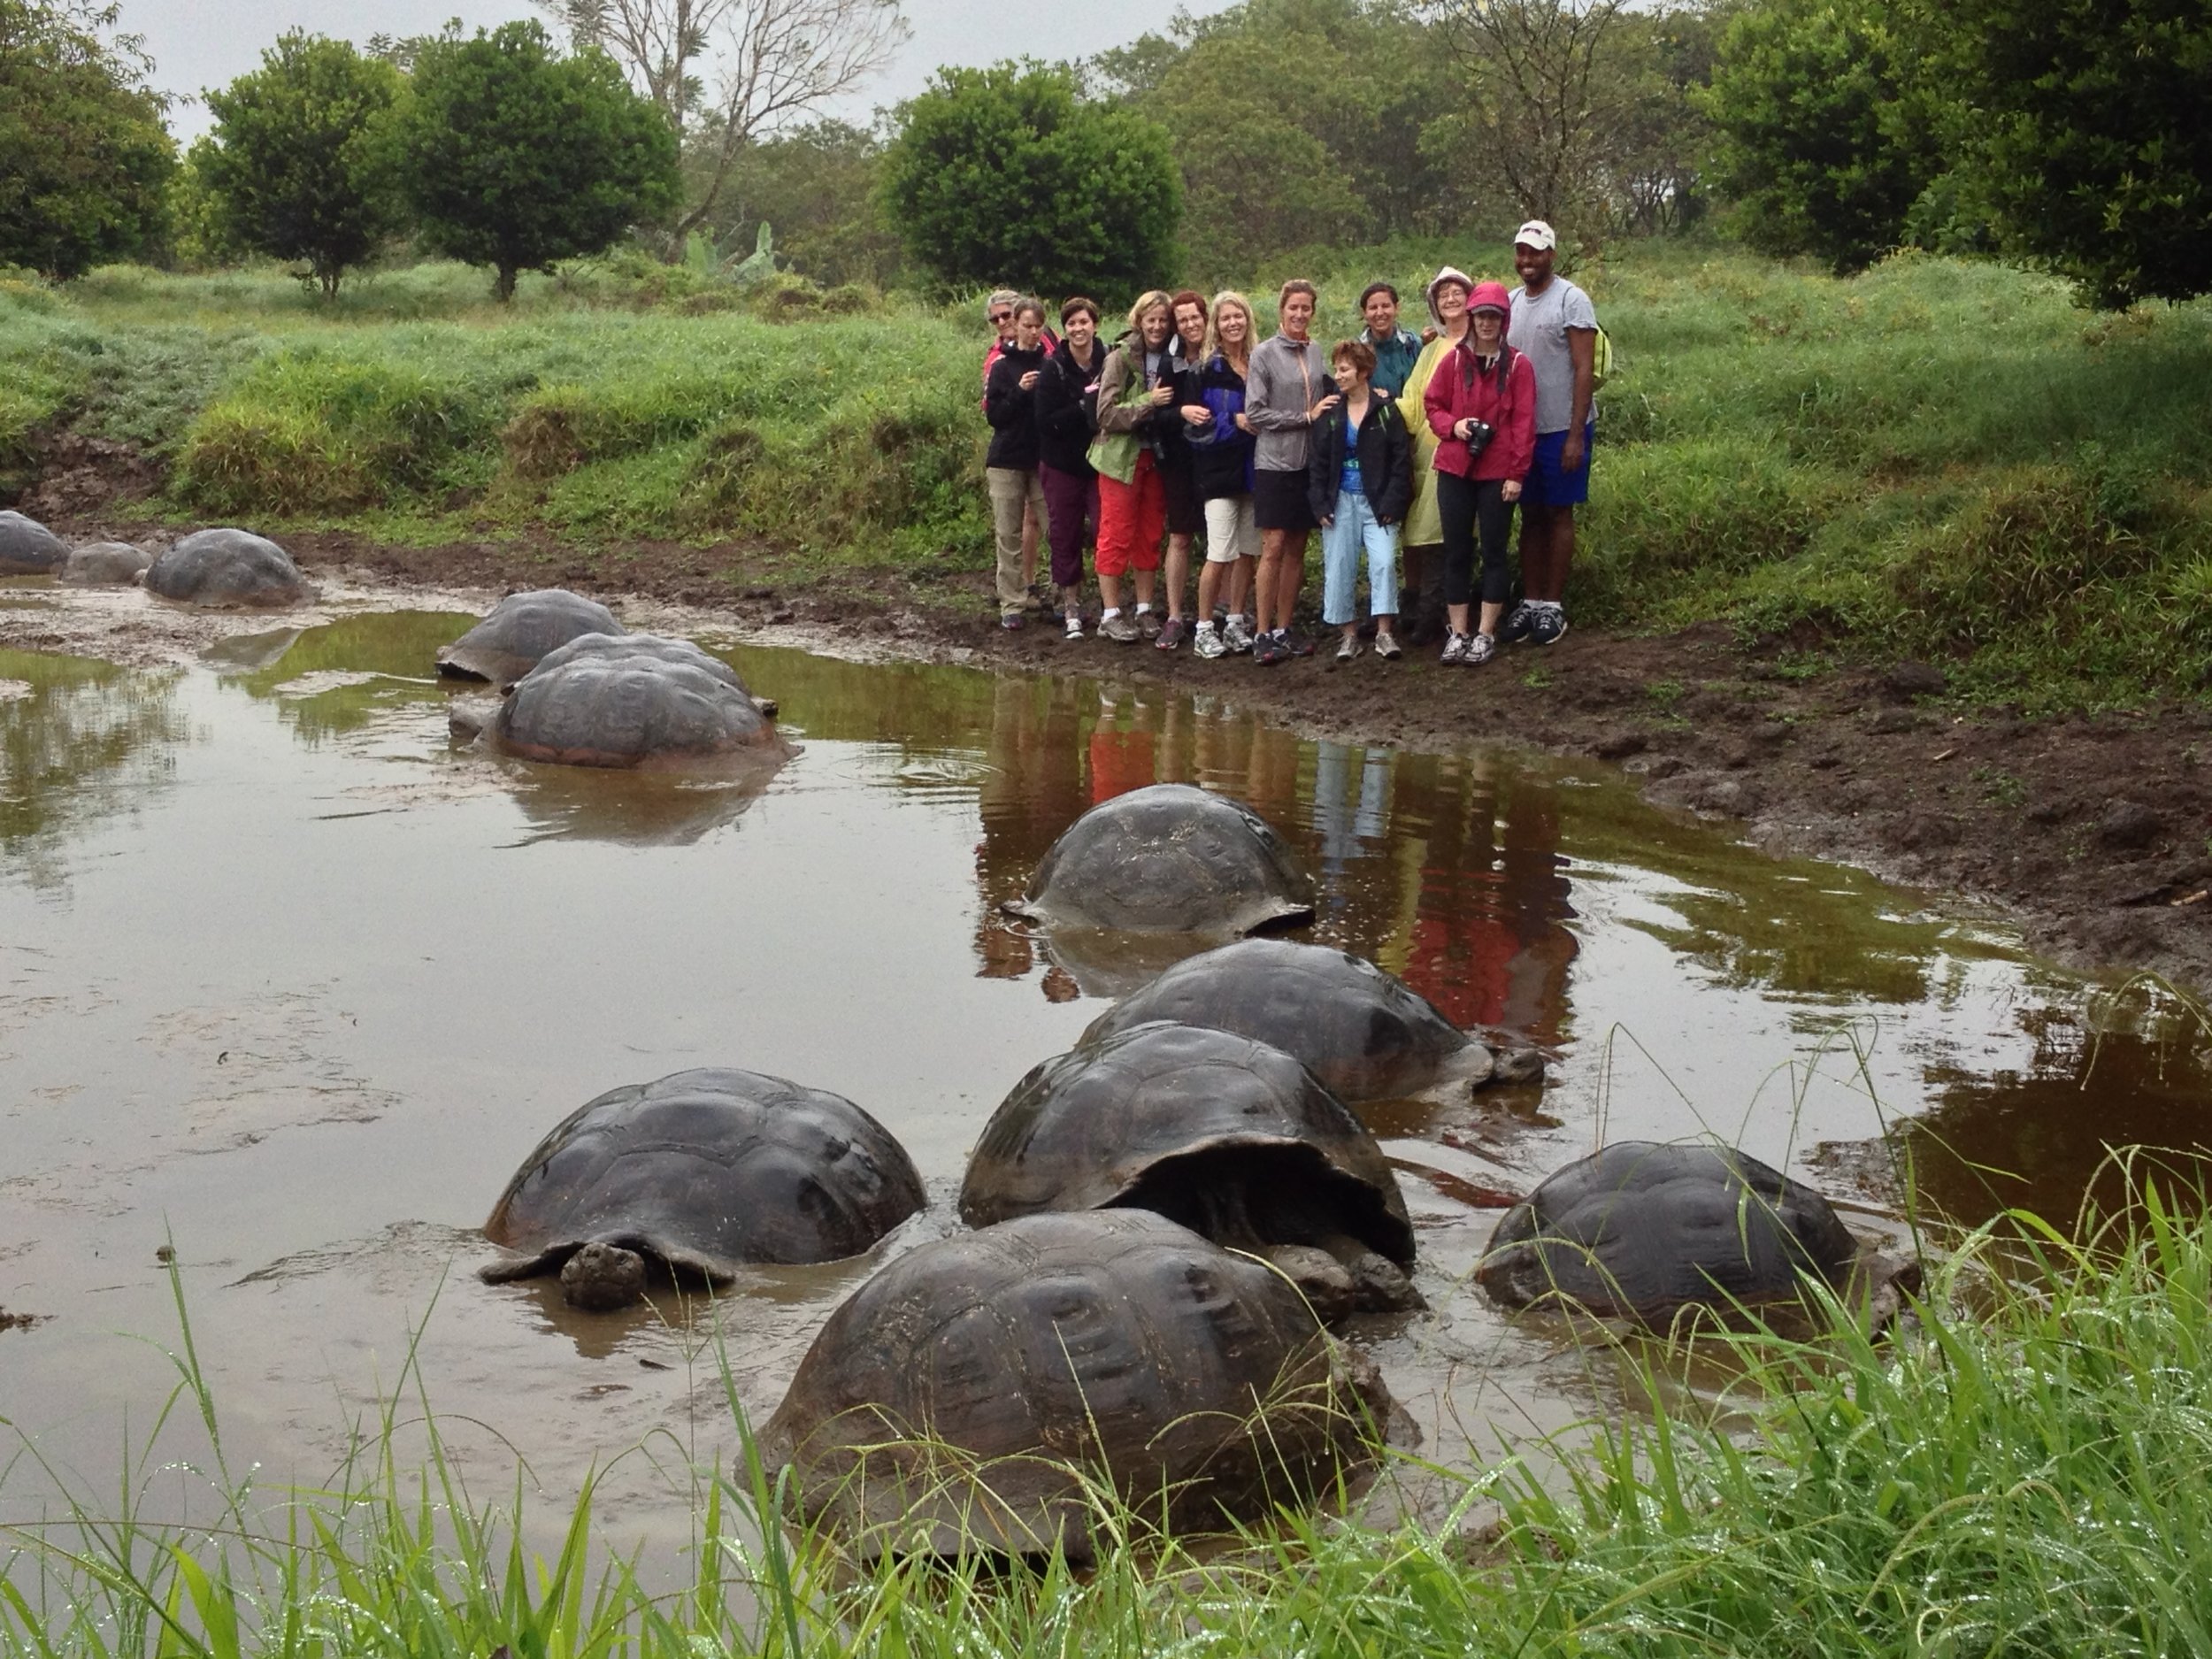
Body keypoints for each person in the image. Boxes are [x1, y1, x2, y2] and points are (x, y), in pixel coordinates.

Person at [1422, 280, 1536, 664]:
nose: (1487, 323)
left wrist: (1517, 473)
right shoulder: (1454, 360)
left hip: (1498, 471)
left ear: (1504, 320)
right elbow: (1432, 403)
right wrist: (1453, 427)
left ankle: (1485, 632)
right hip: (1455, 466)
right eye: (1481, 316)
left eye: (1494, 316)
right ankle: (1459, 632)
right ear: (1471, 318)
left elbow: (1523, 422)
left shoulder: (1518, 365)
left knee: (1494, 551)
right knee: (1456, 550)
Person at [1503, 219, 1598, 647]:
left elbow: (1583, 368)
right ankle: (1531, 599)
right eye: (1522, 252)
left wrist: (1576, 434)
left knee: (1559, 511)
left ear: (1551, 255)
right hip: (1524, 431)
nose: (1527, 260)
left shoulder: (1571, 300)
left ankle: (1553, 606)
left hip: (1563, 425)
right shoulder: (1510, 303)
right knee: (1531, 513)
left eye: (1536, 252)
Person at [1243, 279, 1335, 666]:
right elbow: (1255, 413)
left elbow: (1332, 393)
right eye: (1293, 308)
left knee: (1298, 546)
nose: (1299, 314)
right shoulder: (1263, 354)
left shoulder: (1315, 351)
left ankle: (1284, 628)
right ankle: (1262, 633)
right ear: (1281, 310)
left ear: (1313, 311)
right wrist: (1304, 417)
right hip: (1274, 463)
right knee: (1274, 546)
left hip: (1308, 464)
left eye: (1306, 308)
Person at [1307, 339, 1413, 662]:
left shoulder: (1386, 411)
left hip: (1377, 503)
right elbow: (1318, 463)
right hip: (1339, 502)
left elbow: (1400, 460)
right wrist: (1320, 504)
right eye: (1336, 369)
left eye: (1345, 369)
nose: (1338, 376)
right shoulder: (1331, 413)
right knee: (1339, 567)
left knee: (1383, 563)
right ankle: (1349, 636)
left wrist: (1394, 503)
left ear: (1364, 372)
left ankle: (1384, 633)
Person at [1087, 292, 1176, 642]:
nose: (1156, 326)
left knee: (1150, 533)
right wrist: (1147, 402)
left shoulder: (1173, 356)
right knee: (1115, 533)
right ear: (1138, 321)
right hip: (1119, 457)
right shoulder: (1119, 358)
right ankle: (1110, 614)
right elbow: (1105, 414)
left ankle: (1143, 608)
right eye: (1150, 319)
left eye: (1162, 320)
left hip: (1155, 457)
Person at [1182, 290, 1261, 661]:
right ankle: (1202, 629)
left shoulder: (1260, 364)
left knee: (1247, 552)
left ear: (1248, 320)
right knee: (1219, 554)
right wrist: (1236, 422)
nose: (1233, 323)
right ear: (1216, 323)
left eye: (1239, 316)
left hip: (1255, 472)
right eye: (1226, 317)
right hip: (1217, 475)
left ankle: (1234, 622)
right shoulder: (1205, 370)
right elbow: (1197, 430)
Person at [1397, 268, 1472, 645]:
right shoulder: (1430, 351)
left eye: (1458, 292)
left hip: (1472, 454)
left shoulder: (1483, 345)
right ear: (1435, 305)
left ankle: (1451, 612)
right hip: (1430, 454)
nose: (1451, 299)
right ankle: (1430, 611)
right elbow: (1412, 402)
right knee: (1429, 533)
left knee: (1460, 531)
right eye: (1444, 294)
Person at [1033, 296, 1106, 639]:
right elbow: (1045, 421)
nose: (1079, 329)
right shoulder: (1054, 367)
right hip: (1062, 463)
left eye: (1084, 322)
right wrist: (1083, 405)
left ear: (1095, 324)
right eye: (1072, 324)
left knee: (1106, 530)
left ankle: (1111, 606)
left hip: (1101, 461)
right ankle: (1071, 607)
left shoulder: (1109, 361)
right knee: (1065, 533)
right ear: (1065, 330)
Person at [980, 288, 1056, 605]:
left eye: (1006, 316)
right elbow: (994, 415)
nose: (1002, 322)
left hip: (1043, 456)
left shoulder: (1052, 360)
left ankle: (1059, 596)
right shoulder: (999, 364)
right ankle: (1012, 600)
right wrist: (1020, 391)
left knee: (1056, 528)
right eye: (995, 318)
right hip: (1007, 457)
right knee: (1008, 533)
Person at [1153, 289, 1211, 652]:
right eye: (1183, 319)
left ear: (1206, 318)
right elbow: (1157, 414)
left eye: (1195, 317)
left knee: (1222, 538)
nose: (1190, 324)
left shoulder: (1220, 357)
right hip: (1177, 460)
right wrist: (1182, 413)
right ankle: (1174, 616)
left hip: (1217, 459)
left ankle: (1222, 610)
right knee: (1180, 536)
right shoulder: (1168, 363)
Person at [1357, 281, 1423, 402]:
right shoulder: (1356, 352)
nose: (1380, 313)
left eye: (1386, 306)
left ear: (1397, 308)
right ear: (1364, 313)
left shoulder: (1413, 346)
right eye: (1373, 308)